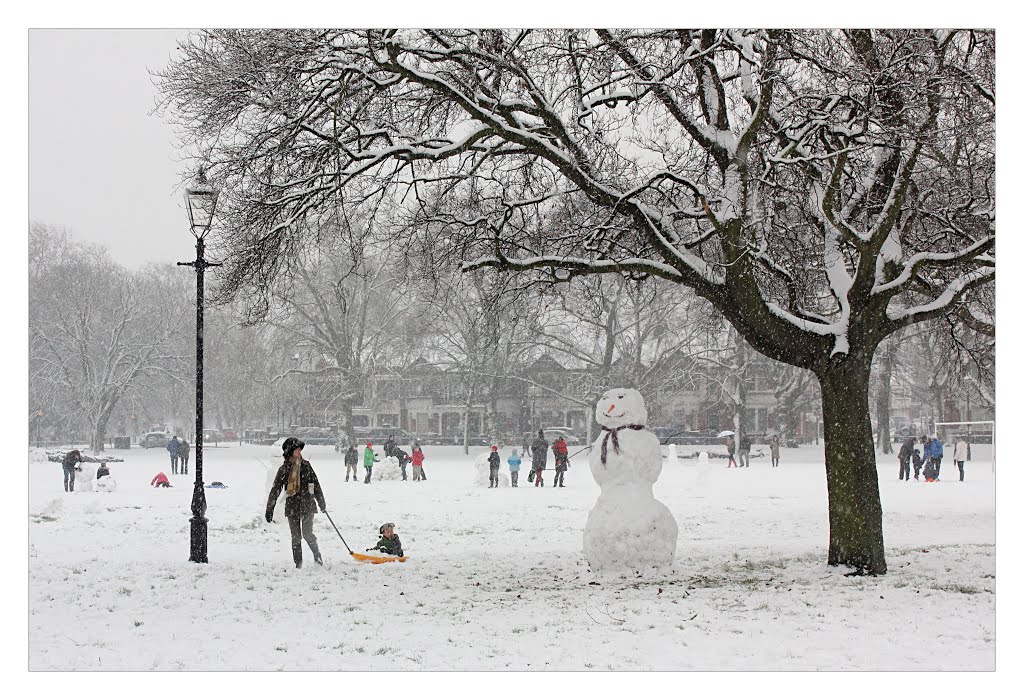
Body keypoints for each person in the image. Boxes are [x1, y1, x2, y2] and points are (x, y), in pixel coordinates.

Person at [266, 437, 327, 569]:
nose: (299, 452)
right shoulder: (284, 469)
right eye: (296, 450)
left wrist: (321, 502)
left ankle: (318, 557)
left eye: (300, 449)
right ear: (289, 452)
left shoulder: (306, 466)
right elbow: (275, 489)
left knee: (307, 533)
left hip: (308, 504)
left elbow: (316, 484)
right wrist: (269, 509)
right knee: (296, 537)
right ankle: (298, 563)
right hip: (292, 506)